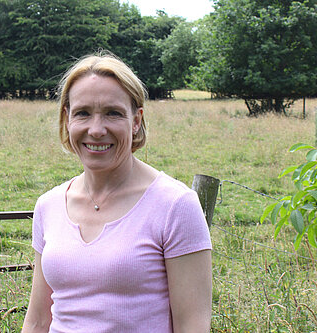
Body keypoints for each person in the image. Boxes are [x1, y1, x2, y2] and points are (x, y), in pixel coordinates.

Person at [22, 52, 212, 333]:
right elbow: (38, 320)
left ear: (136, 121)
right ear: (67, 118)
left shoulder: (175, 205)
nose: (96, 130)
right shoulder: (48, 205)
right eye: (83, 113)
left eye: (113, 113)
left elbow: (192, 325)